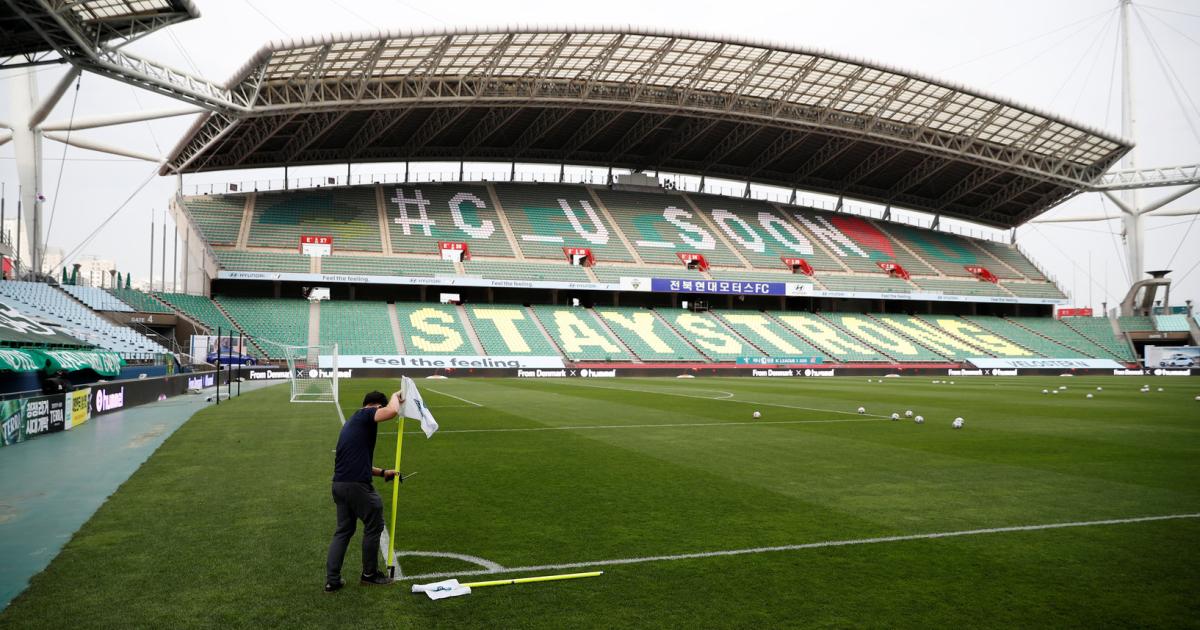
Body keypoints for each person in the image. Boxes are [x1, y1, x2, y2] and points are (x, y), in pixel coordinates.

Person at [325, 389, 403, 592]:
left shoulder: (353, 423)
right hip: (356, 486)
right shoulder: (365, 414)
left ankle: (332, 580)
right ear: (376, 405)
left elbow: (358, 463)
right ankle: (369, 574)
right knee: (374, 523)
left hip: (340, 485)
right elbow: (392, 411)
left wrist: (383, 472)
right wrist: (397, 395)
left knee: (344, 531)